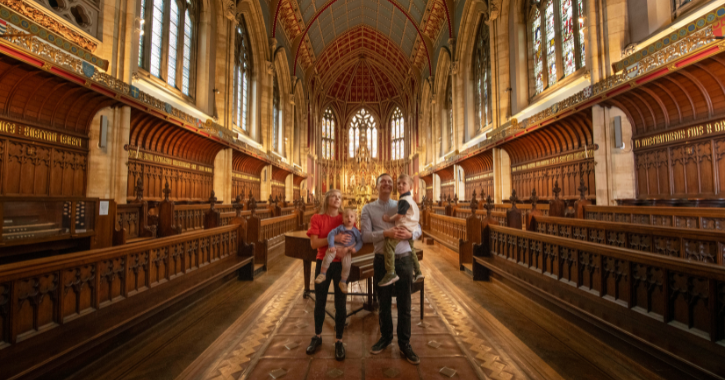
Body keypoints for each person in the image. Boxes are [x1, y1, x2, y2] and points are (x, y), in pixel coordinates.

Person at [361, 173, 422, 365]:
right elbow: (365, 236)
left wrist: (411, 233)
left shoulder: (402, 203)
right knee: (384, 302)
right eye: (383, 182)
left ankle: (405, 343)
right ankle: (385, 337)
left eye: (390, 181)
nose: (387, 184)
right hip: (381, 260)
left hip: (403, 260)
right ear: (377, 185)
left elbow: (419, 229)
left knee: (405, 304)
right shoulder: (368, 208)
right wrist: (385, 233)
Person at [306, 189, 349, 361]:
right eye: (334, 196)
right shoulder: (317, 218)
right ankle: (317, 336)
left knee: (341, 303)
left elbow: (353, 236)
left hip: (340, 264)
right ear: (327, 199)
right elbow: (314, 243)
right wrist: (333, 238)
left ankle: (339, 340)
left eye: (340, 197)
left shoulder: (344, 218)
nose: (337, 199)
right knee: (320, 302)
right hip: (322, 262)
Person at [379, 174, 424, 286]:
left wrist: (389, 219)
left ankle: (390, 273)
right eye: (398, 183)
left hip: (404, 228)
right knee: (412, 250)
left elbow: (399, 216)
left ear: (410, 187)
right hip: (410, 226)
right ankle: (418, 272)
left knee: (389, 244)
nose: (400, 185)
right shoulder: (410, 200)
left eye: (404, 183)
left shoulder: (404, 200)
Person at [315, 208, 363, 294]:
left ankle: (343, 281)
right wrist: (331, 245)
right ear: (343, 219)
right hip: (336, 246)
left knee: (347, 265)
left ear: (355, 219)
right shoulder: (340, 227)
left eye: (351, 216)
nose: (349, 218)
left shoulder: (355, 231)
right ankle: (322, 273)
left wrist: (355, 248)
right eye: (346, 217)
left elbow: (360, 241)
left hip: (347, 251)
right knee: (328, 256)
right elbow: (331, 234)